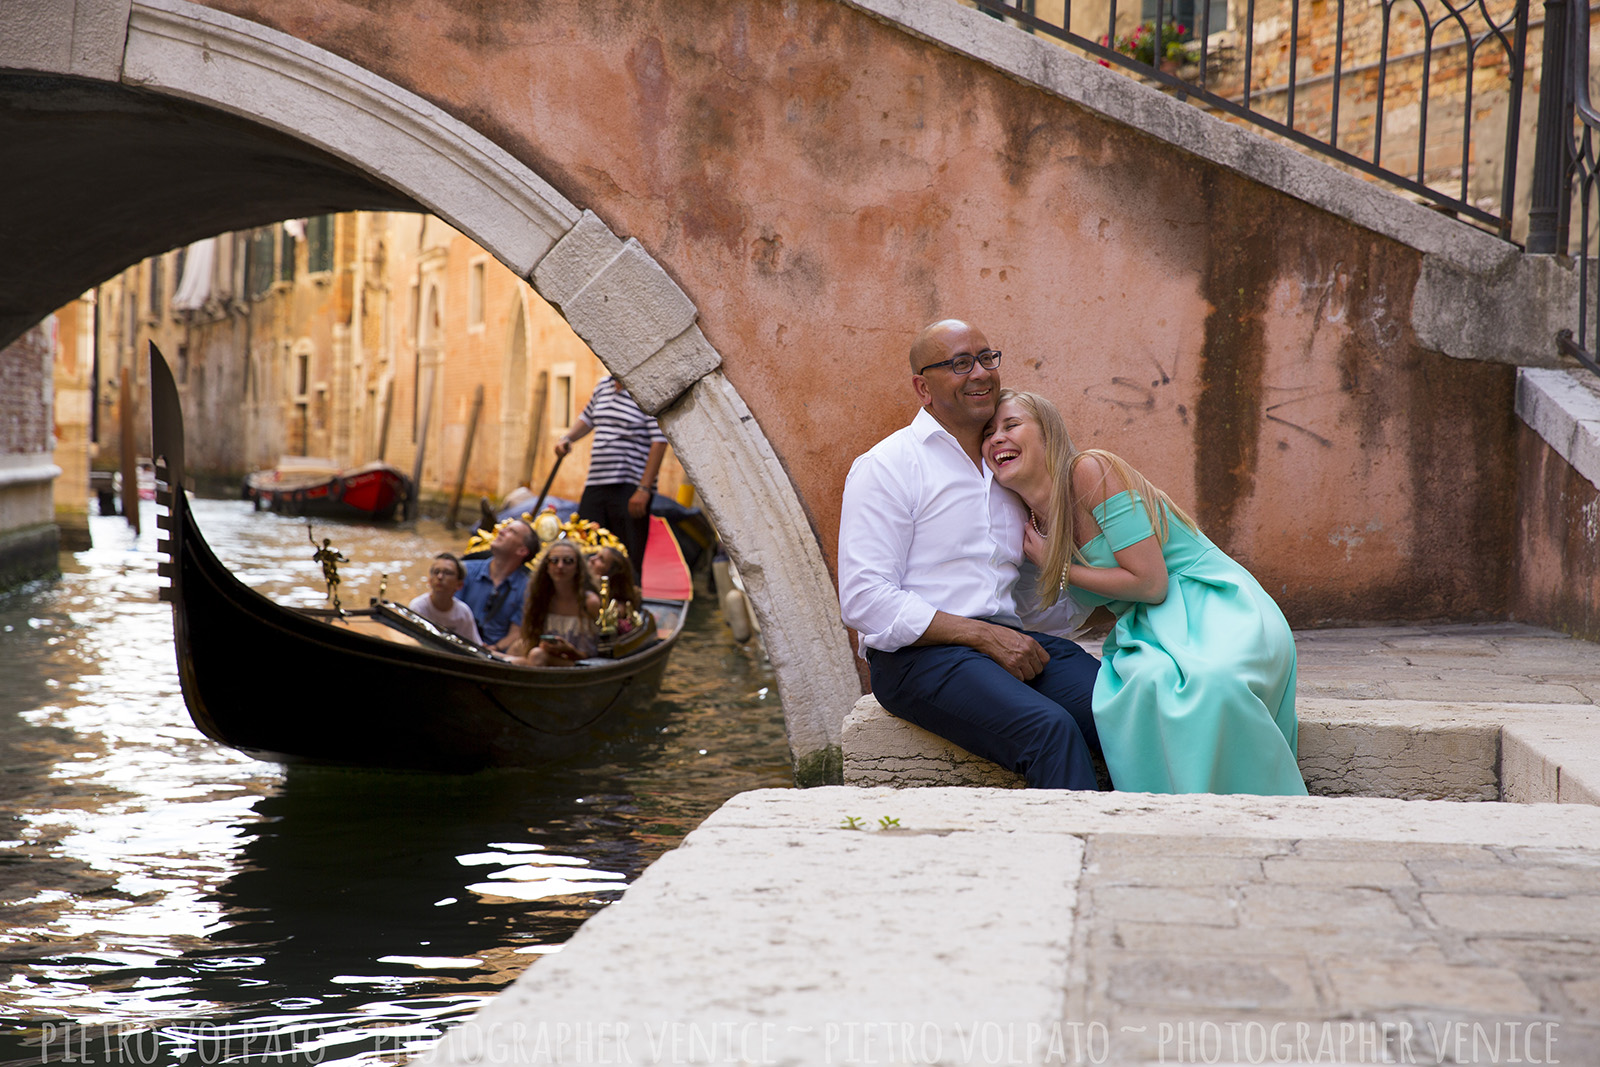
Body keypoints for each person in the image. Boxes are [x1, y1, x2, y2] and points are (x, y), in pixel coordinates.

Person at [982, 389, 1307, 795]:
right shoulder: (1034, 526)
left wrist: (1060, 567)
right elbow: (1089, 608)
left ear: (1048, 433)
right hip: (1150, 626)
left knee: (1212, 683)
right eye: (988, 431)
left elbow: (1151, 583)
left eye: (1011, 425)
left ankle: (1259, 805)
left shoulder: (1089, 470)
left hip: (1214, 604)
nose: (997, 437)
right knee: (1143, 685)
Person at [837, 319, 1103, 790]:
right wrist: (980, 636)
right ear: (923, 387)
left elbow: (1038, 610)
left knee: (1121, 706)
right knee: (1049, 731)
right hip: (918, 659)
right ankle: (1066, 858)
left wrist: (1070, 562)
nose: (980, 373)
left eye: (986, 358)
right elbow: (863, 599)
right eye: (960, 363)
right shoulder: (887, 466)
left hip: (1003, 646)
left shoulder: (1005, 468)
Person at [555, 377, 668, 585]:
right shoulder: (603, 385)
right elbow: (588, 418)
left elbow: (659, 441)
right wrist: (567, 438)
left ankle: (626, 610)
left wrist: (644, 488)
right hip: (597, 482)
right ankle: (586, 601)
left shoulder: (646, 389)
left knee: (626, 555)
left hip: (631, 486)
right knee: (586, 545)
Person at [504, 540, 602, 666]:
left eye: (568, 561)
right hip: (544, 660)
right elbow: (532, 639)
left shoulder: (589, 602)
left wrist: (568, 650)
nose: (560, 566)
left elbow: (593, 655)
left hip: (579, 666)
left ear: (578, 568)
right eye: (554, 561)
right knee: (516, 651)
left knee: (535, 655)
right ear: (547, 567)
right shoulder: (541, 598)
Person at [457, 519, 535, 649]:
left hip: (494, 654)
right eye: (505, 528)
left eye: (512, 531)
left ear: (522, 551)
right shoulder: (465, 570)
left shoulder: (528, 588)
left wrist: (494, 648)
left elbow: (517, 633)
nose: (501, 531)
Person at [408, 553, 483, 644]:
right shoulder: (418, 607)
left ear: (459, 584)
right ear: (430, 580)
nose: (440, 577)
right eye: (436, 572)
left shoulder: (463, 612)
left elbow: (474, 646)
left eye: (448, 573)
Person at [589, 546, 641, 626]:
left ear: (612, 574)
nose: (592, 559)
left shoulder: (617, 609)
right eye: (596, 555)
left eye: (601, 559)